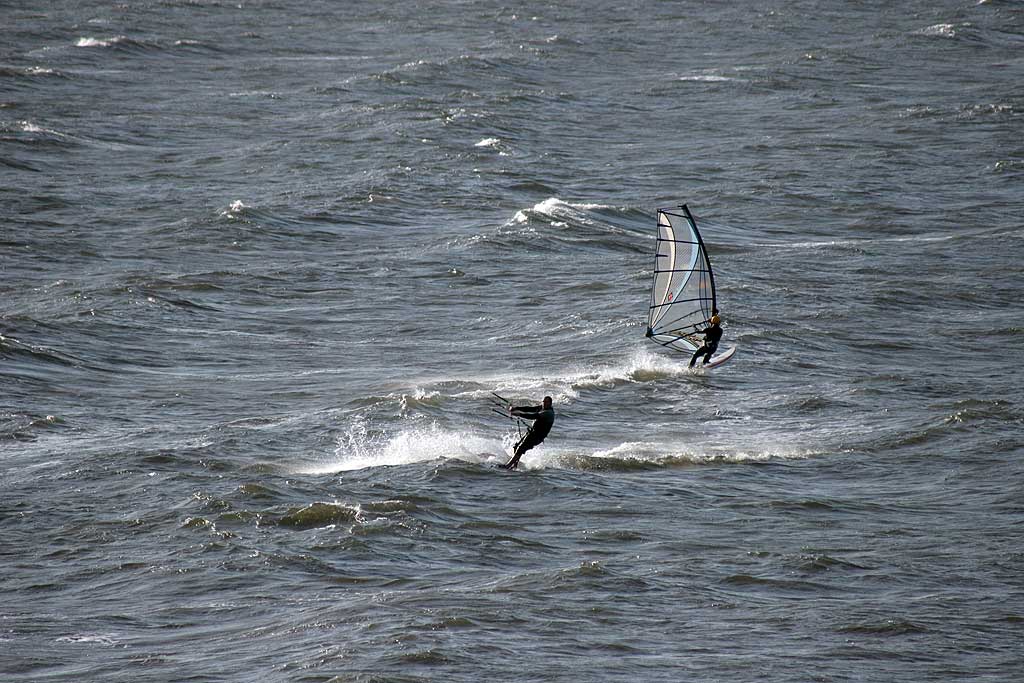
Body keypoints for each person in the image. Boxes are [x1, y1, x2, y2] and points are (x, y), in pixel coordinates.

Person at [499, 396, 555, 470]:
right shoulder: (542, 407)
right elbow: (530, 409)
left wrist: (519, 414)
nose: (544, 403)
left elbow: (533, 416)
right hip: (532, 433)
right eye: (543, 401)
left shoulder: (549, 413)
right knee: (516, 447)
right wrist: (516, 408)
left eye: (546, 402)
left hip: (537, 436)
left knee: (520, 449)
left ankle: (508, 466)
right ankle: (514, 466)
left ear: (550, 404)